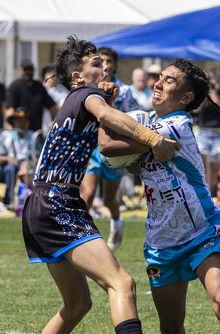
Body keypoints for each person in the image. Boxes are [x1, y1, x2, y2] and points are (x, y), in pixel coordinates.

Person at [23, 35, 180, 334]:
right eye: (96, 63)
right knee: (122, 283)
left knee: (78, 304)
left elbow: (107, 142)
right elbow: (109, 121)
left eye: (105, 62)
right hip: (57, 201)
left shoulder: (79, 98)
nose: (105, 66)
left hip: (43, 204)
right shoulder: (87, 95)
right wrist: (153, 139)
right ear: (78, 76)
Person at [99, 58, 220, 334]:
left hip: (204, 232)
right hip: (162, 242)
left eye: (169, 81)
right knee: (171, 327)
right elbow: (131, 159)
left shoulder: (176, 124)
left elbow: (107, 145)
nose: (158, 83)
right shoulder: (144, 121)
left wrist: (103, 108)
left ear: (186, 98)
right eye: (159, 77)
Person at [80, 47, 139, 251]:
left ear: (114, 64)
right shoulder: (89, 86)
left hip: (114, 148)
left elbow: (134, 118)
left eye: (108, 61)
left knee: (109, 199)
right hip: (93, 147)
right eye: (100, 61)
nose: (104, 65)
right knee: (86, 193)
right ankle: (82, 238)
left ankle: (116, 222)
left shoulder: (125, 90)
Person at [195, 68, 220, 192]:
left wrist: (214, 91)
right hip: (203, 132)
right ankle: (204, 191)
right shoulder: (202, 94)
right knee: (203, 165)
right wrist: (205, 92)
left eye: (214, 78)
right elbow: (196, 109)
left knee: (215, 167)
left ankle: (211, 190)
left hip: (218, 134)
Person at [0, 107, 36, 206]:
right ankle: (9, 201)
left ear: (28, 122)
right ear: (14, 122)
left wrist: (30, 163)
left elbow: (39, 156)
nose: (22, 123)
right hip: (10, 165)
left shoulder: (33, 136)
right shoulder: (5, 135)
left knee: (32, 172)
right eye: (19, 121)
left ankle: (31, 203)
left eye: (25, 120)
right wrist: (8, 159)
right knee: (10, 169)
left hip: (29, 167)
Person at [6, 59, 58, 131]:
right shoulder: (14, 87)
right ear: (20, 71)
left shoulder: (39, 86)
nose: (28, 72)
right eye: (26, 69)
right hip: (20, 133)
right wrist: (10, 133)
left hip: (36, 133)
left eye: (30, 69)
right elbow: (10, 111)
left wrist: (56, 125)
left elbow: (52, 107)